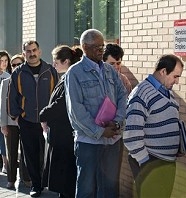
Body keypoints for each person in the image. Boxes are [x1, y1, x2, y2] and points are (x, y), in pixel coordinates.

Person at [64, 29, 127, 198]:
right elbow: (76, 111)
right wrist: (99, 131)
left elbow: (122, 96)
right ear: (85, 47)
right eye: (97, 47)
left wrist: (118, 121)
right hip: (88, 143)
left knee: (110, 188)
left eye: (102, 46)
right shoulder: (74, 73)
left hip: (113, 140)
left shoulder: (110, 70)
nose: (101, 50)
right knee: (87, 189)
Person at [123, 54, 184, 198]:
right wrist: (146, 163)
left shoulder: (167, 93)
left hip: (166, 162)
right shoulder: (142, 93)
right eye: (175, 76)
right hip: (152, 163)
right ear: (163, 72)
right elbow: (131, 135)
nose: (177, 81)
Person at [7, 41, 58, 197]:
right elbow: (12, 97)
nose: (32, 53)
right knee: (30, 155)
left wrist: (55, 116)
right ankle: (36, 185)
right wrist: (17, 116)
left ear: (40, 51)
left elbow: (58, 94)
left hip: (48, 122)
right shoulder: (18, 73)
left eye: (34, 50)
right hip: (27, 121)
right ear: (24, 54)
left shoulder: (50, 70)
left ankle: (49, 183)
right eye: (28, 51)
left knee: (48, 154)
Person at [39, 45, 82, 198]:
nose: (54, 64)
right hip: (61, 135)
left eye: (56, 61)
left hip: (65, 137)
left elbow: (61, 105)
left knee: (66, 181)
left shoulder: (70, 78)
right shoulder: (66, 77)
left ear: (66, 61)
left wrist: (43, 115)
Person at [0, 53, 31, 189]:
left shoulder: (29, 81)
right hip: (10, 123)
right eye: (14, 65)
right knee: (11, 152)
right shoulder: (6, 82)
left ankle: (26, 178)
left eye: (19, 64)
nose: (16, 67)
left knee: (26, 152)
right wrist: (3, 125)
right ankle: (11, 179)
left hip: (26, 122)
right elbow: (2, 105)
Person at [0, 50, 11, 174]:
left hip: (3, 111)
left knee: (3, 138)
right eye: (1, 61)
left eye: (5, 61)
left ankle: (5, 163)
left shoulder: (8, 76)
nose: (3, 63)